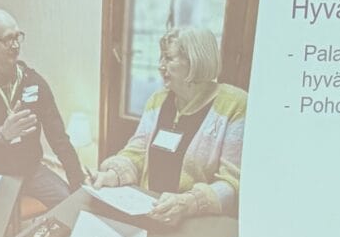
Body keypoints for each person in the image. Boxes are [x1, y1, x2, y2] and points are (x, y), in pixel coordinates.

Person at [91, 25, 245, 222]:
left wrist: (188, 204)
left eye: (168, 58)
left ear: (194, 60)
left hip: (195, 221)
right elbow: (136, 151)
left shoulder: (234, 104)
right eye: (160, 58)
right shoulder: (158, 100)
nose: (160, 65)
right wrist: (114, 174)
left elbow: (232, 183)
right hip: (150, 209)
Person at [0, 8, 85, 211]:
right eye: (8, 39)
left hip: (31, 171)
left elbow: (59, 138)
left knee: (71, 206)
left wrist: (78, 182)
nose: (16, 45)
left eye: (17, 36)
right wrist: (1, 137)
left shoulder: (34, 82)